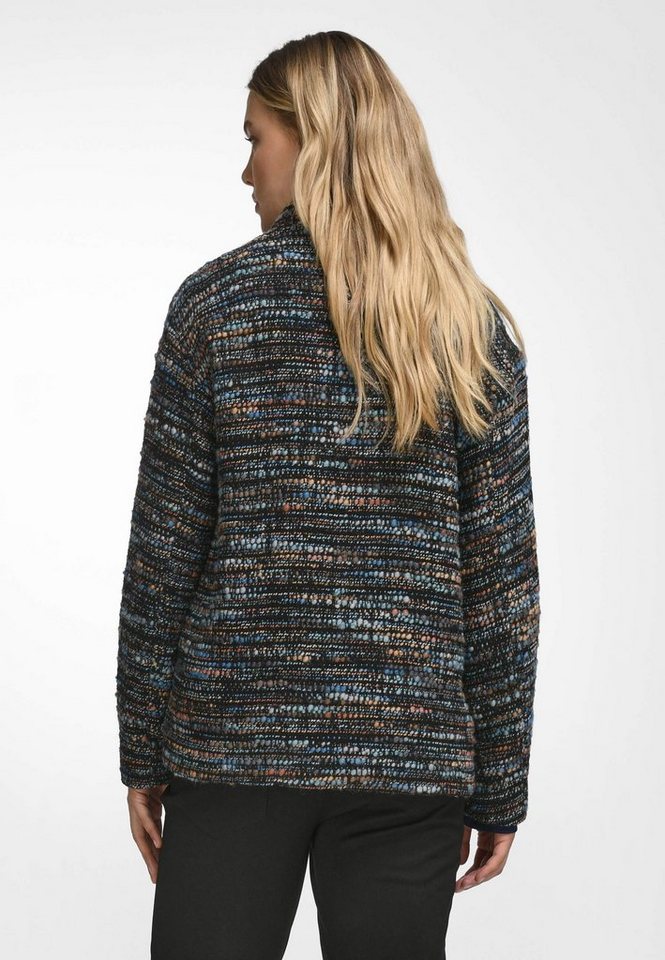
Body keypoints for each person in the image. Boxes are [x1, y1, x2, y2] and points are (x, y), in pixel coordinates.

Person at [115, 30, 541, 960]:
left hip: (233, 751)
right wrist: (499, 782)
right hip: (409, 759)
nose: (246, 172)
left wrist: (141, 754)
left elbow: (163, 559)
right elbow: (501, 587)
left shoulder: (216, 307)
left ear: (310, 141)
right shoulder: (464, 328)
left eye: (254, 139)